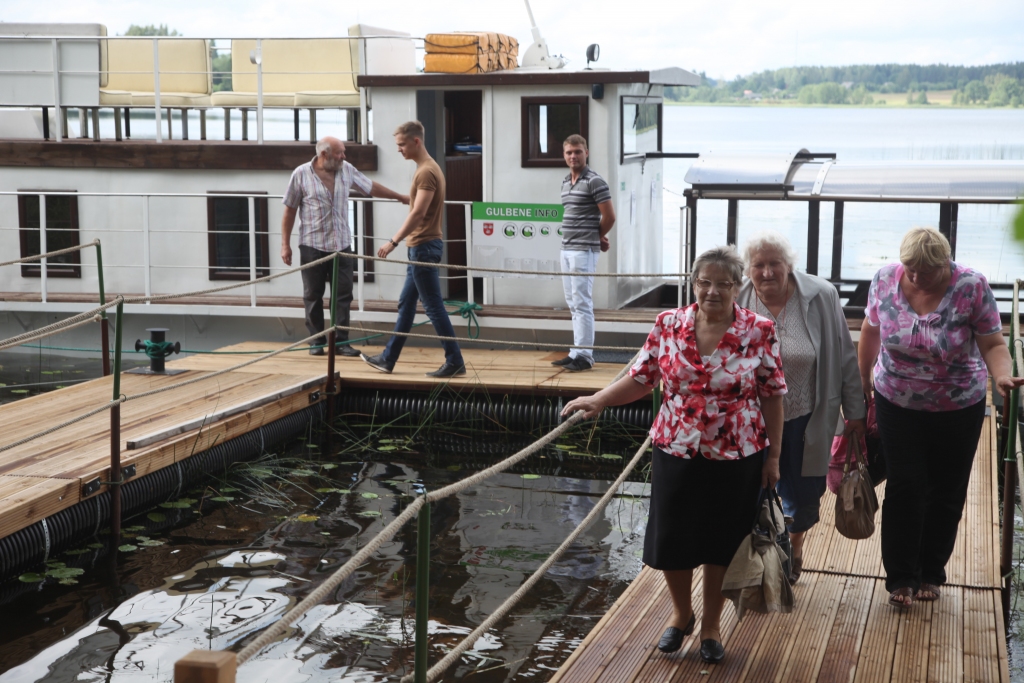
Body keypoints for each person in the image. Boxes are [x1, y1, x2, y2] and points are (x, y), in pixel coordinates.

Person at [561, 246, 786, 664]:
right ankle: (682, 615)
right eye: (704, 282)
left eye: (723, 283)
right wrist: (599, 400)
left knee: (723, 539)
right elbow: (641, 378)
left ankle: (713, 626)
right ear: (693, 283)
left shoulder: (759, 329)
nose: (713, 291)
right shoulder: (668, 323)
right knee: (672, 537)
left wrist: (773, 458)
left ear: (739, 287)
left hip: (737, 452)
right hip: (675, 446)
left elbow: (773, 396)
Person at [858, 227, 1024, 608]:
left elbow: (994, 343)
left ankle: (931, 571)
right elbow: (870, 329)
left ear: (945, 264)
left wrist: (1000, 375)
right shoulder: (885, 279)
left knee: (946, 490)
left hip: (957, 405)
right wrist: (863, 380)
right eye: (910, 269)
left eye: (926, 271)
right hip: (896, 401)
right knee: (906, 484)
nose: (916, 277)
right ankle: (900, 576)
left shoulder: (972, 286)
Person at [736, 230, 865, 584]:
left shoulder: (821, 295)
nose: (766, 272)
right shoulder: (737, 297)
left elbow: (844, 358)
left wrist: (856, 410)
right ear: (748, 269)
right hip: (750, 420)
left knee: (805, 495)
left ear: (789, 266)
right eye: (758, 265)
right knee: (751, 491)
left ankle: (794, 544)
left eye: (774, 264)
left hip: (805, 416)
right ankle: (764, 556)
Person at [282, 136, 408, 356]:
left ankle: (341, 343)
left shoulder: (346, 169)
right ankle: (316, 342)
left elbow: (370, 187)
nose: (344, 156)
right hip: (312, 245)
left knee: (343, 295)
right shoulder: (301, 174)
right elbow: (290, 210)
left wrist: (399, 197)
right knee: (313, 295)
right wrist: (285, 244)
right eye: (340, 153)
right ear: (324, 155)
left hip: (341, 244)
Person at [361, 121, 466, 378]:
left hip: (422, 247)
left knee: (433, 307)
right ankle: (388, 358)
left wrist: (393, 241)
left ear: (415, 141)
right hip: (421, 247)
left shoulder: (426, 172)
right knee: (406, 304)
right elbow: (419, 205)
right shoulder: (427, 169)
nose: (398, 149)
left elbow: (418, 213)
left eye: (401, 144)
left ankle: (455, 361)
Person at [551, 134, 615, 373]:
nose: (573, 156)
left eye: (577, 151)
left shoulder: (595, 181)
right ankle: (576, 352)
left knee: (582, 302)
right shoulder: (566, 181)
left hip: (582, 251)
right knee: (572, 302)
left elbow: (609, 216)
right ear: (564, 155)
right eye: (569, 152)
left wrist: (596, 237)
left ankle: (585, 356)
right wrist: (597, 235)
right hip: (566, 249)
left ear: (586, 153)